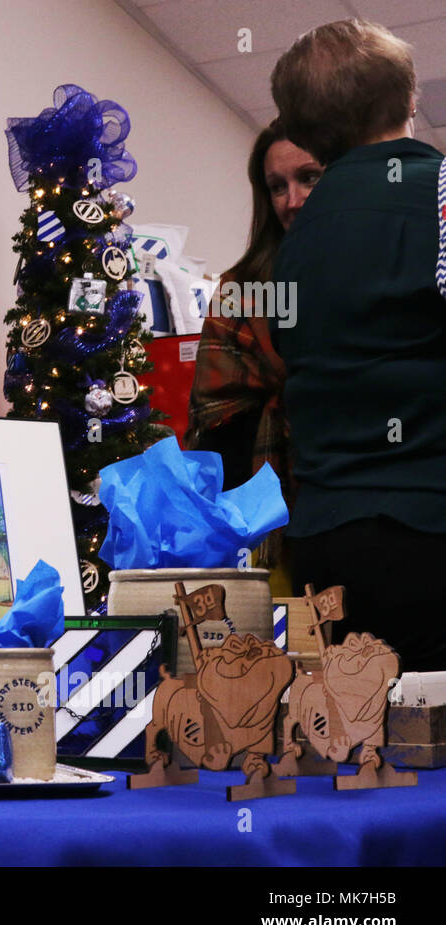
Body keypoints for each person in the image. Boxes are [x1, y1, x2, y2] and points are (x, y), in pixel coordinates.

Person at [270, 19, 446, 671]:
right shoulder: (441, 196)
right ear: (407, 95)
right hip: (430, 525)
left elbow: (289, 349)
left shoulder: (294, 242)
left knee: (357, 747)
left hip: (326, 547)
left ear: (310, 134)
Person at [185, 120, 323, 579]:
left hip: (354, 514)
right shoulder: (240, 290)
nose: (293, 200)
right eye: (276, 186)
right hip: (259, 525)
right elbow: (215, 424)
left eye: (309, 178)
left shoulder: (371, 276)